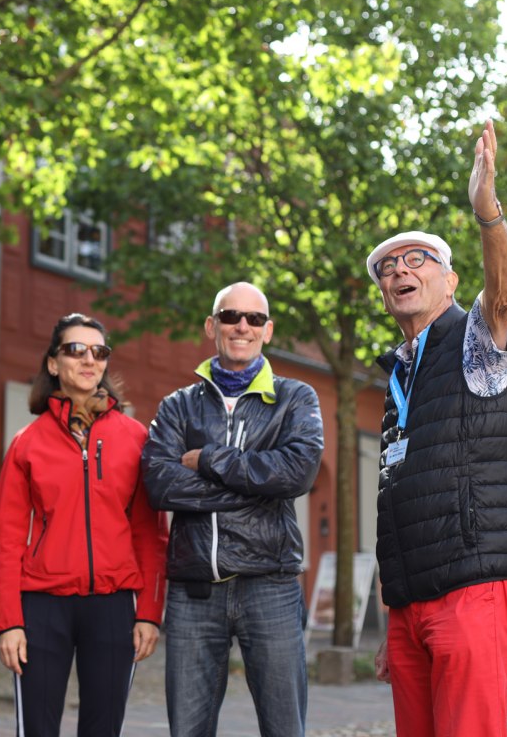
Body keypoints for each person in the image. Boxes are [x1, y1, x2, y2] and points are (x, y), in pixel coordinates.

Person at [366, 119, 507, 737]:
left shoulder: (472, 341)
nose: (400, 271)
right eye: (387, 268)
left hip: (473, 586)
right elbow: (396, 502)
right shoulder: (399, 376)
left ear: (449, 280)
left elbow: (505, 293)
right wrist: (392, 617)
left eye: (418, 260)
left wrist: (487, 212)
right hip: (410, 604)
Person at [141, 282, 324, 737]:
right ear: (211, 326)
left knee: (284, 728)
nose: (242, 326)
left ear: (268, 331)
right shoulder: (177, 406)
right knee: (187, 730)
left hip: (272, 585)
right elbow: (158, 484)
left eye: (254, 319)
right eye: (230, 316)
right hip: (194, 590)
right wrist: (258, 486)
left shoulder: (295, 399)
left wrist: (208, 459)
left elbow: (297, 474)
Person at [0, 313, 168, 737]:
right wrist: (10, 621)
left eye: (99, 352)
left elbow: (150, 532)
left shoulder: (136, 437)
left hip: (113, 604)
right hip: (42, 606)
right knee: (37, 729)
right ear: (53, 364)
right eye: (75, 350)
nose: (89, 360)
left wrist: (149, 612)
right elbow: (6, 539)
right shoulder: (26, 443)